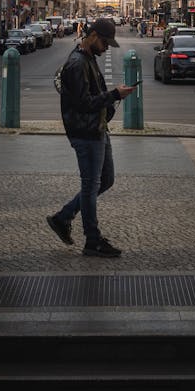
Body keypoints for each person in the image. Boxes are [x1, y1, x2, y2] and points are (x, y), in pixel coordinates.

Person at [46, 17, 135, 258]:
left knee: (105, 180)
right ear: (93, 36)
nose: (107, 47)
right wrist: (114, 94)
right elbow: (84, 104)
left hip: (97, 129)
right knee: (90, 185)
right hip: (86, 132)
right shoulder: (77, 64)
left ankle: (63, 217)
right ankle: (92, 240)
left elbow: (93, 97)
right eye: (105, 42)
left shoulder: (88, 59)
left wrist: (113, 96)